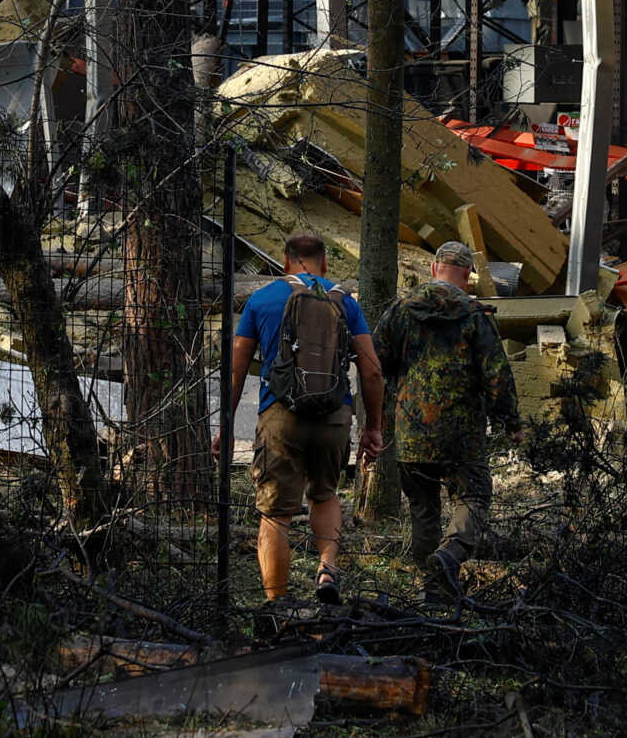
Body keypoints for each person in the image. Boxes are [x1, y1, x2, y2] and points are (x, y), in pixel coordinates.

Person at [221, 232, 386, 604]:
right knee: (325, 495)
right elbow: (372, 372)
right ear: (324, 263)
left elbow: (236, 370)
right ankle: (327, 569)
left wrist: (226, 427)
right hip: (333, 415)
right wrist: (372, 427)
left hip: (280, 417)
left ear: (285, 262)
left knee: (275, 513)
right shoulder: (345, 302)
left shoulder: (261, 300)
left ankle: (276, 602)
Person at [375, 240, 522, 600]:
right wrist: (511, 422)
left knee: (424, 508)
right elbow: (496, 375)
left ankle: (431, 590)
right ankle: (450, 555)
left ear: (433, 269)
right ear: (468, 277)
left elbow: (375, 362)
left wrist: (381, 414)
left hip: (411, 430)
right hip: (462, 435)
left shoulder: (401, 310)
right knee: (474, 495)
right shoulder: (475, 315)